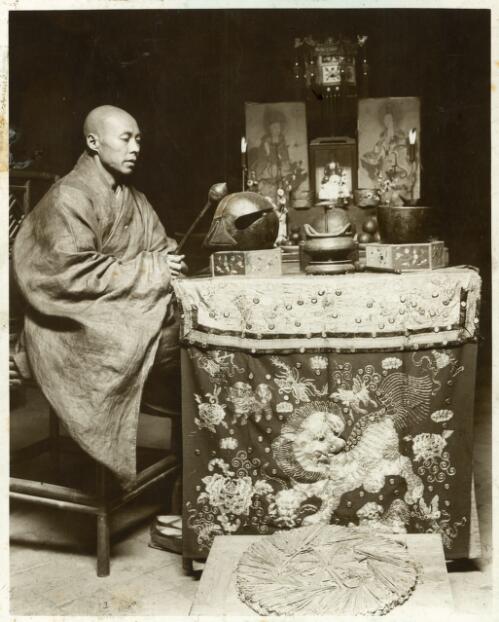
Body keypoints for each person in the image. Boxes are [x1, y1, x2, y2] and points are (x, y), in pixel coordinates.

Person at [13, 105, 186, 488]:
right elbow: (66, 274)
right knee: (166, 340)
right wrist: (153, 269)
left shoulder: (133, 198)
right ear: (94, 142)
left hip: (114, 306)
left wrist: (164, 261)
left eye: (138, 138)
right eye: (126, 138)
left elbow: (160, 246)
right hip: (65, 320)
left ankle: (184, 468)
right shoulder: (68, 197)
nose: (136, 147)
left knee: (179, 331)